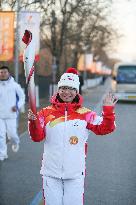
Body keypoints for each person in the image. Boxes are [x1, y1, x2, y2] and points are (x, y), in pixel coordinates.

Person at [28, 67, 117, 205]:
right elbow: (37, 137)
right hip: (51, 173)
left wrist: (108, 111)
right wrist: (33, 122)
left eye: (71, 89)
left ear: (76, 91)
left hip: (75, 173)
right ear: (58, 89)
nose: (66, 92)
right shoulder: (45, 113)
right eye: (63, 88)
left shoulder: (85, 114)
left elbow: (105, 129)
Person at [0, 66, 25, 161]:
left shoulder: (14, 85)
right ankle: (2, 154)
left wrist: (17, 106)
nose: (2, 74)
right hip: (0, 115)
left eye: (4, 72)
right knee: (1, 135)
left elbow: (22, 97)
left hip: (11, 115)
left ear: (8, 73)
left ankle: (15, 142)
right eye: (1, 72)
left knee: (12, 134)